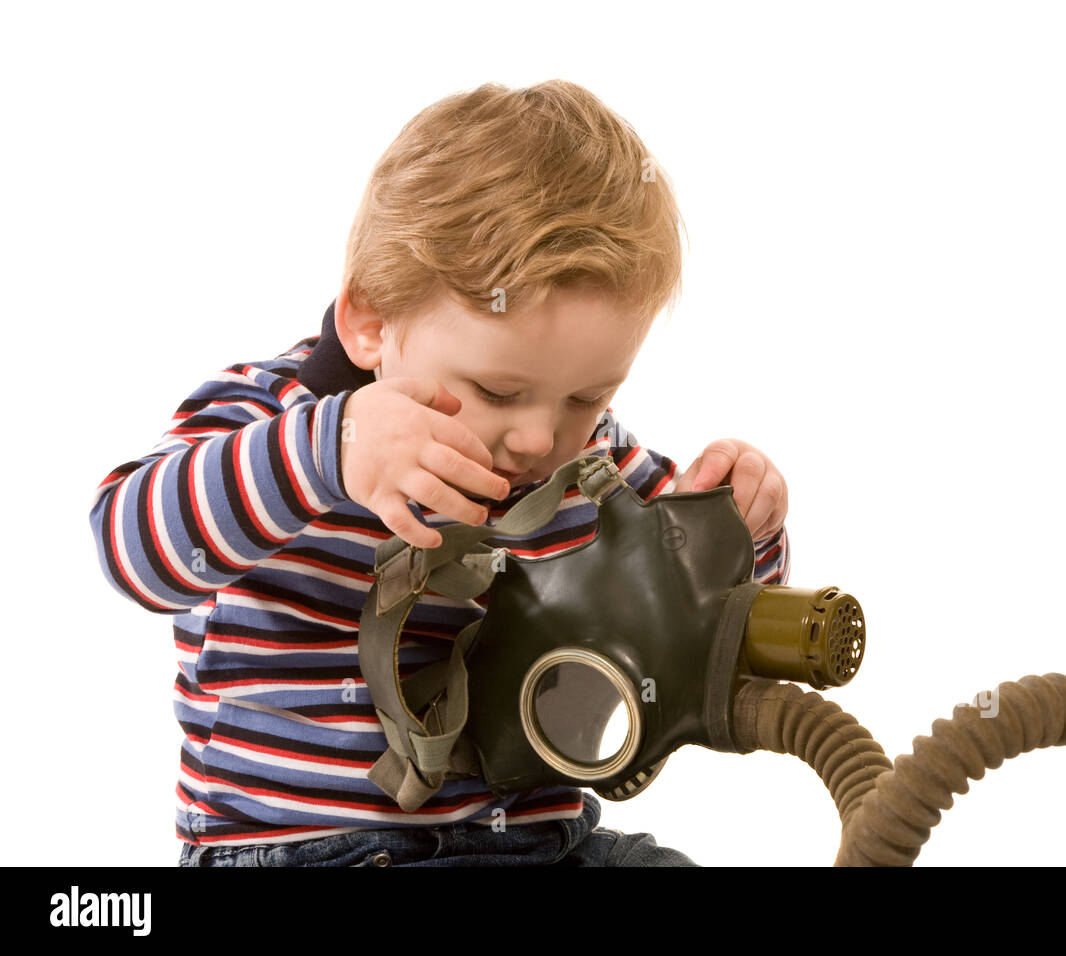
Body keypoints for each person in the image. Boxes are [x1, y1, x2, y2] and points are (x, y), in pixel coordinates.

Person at [89, 80, 791, 867]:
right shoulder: (272, 421)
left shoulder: (593, 464)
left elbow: (703, 618)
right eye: (497, 392)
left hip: (541, 838)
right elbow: (131, 550)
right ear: (369, 321)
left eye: (587, 397)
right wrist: (327, 453)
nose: (536, 437)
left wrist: (746, 529)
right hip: (313, 850)